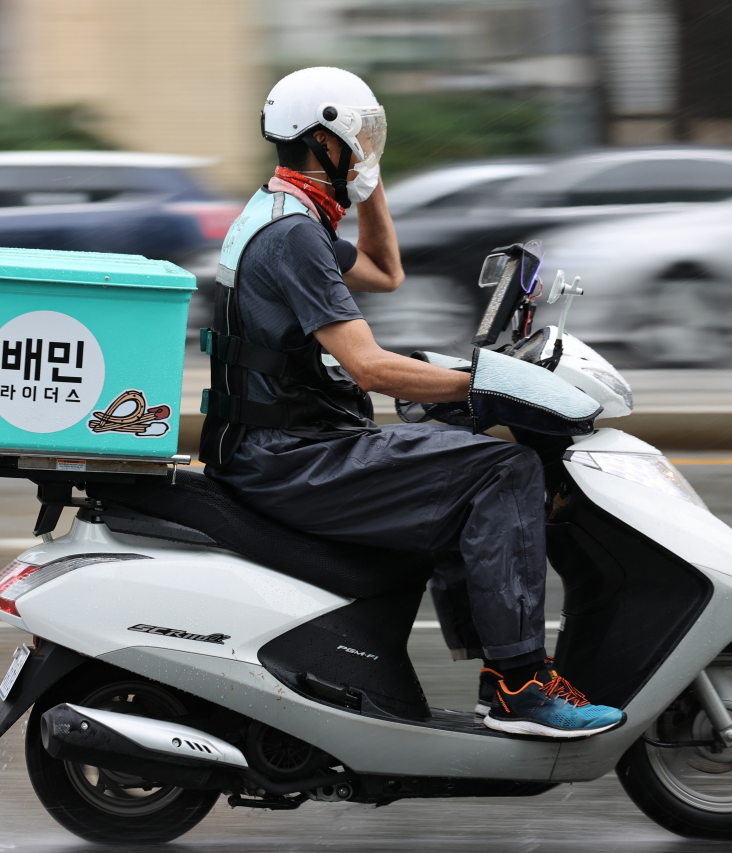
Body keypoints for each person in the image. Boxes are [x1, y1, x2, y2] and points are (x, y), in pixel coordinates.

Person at [199, 67, 622, 738]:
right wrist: (494, 381)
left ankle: (503, 673)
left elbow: (386, 273)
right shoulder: (294, 236)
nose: (371, 148)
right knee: (503, 469)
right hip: (291, 455)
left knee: (461, 464)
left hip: (277, 443)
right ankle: (518, 683)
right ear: (325, 140)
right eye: (361, 138)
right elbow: (367, 366)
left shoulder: (283, 210)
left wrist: (368, 184)